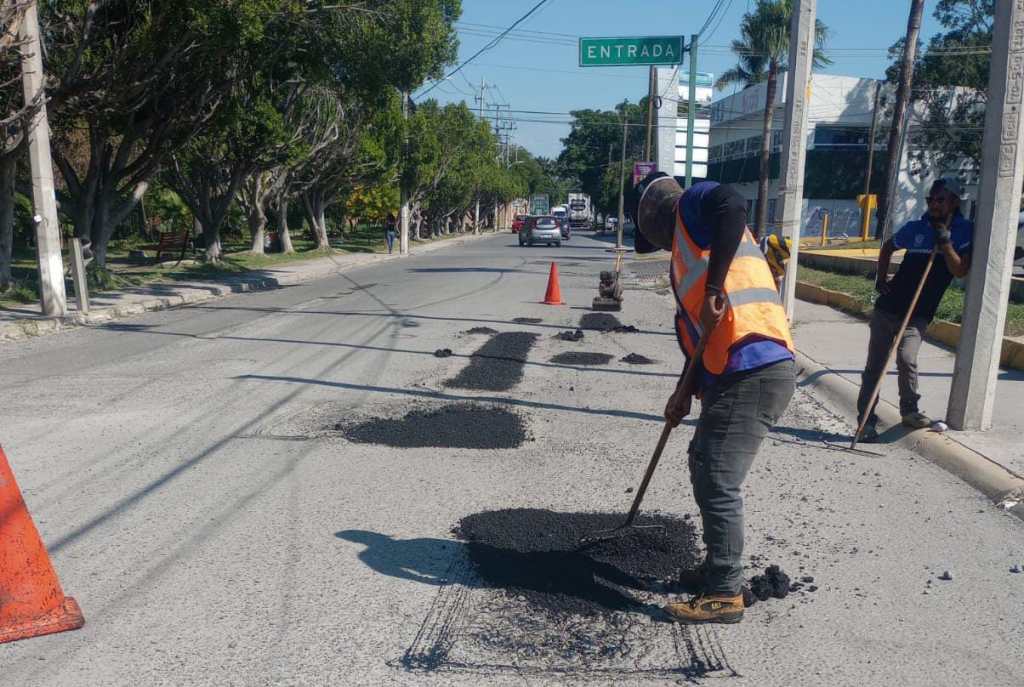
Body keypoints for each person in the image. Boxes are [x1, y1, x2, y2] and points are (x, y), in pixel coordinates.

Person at [628, 173, 796, 624]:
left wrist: (716, 288)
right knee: (704, 462)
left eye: (651, 236)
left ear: (654, 215)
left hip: (754, 363)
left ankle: (724, 592)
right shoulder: (687, 257)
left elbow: (732, 203)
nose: (657, 246)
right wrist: (682, 392)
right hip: (734, 369)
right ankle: (717, 566)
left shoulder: (695, 205)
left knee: (718, 477)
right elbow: (699, 342)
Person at [855, 178, 972, 442]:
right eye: (931, 199)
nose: (934, 204)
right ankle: (865, 422)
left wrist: (945, 242)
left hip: (918, 314)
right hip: (888, 308)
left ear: (954, 202)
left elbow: (960, 270)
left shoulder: (964, 230)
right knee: (875, 366)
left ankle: (909, 410)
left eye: (940, 200)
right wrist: (881, 279)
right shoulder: (916, 227)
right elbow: (888, 247)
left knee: (907, 358)